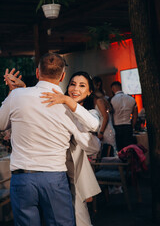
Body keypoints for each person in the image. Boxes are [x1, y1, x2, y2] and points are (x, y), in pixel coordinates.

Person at [1, 53, 101, 226]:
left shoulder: (18, 96)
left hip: (22, 177)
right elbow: (93, 127)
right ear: (63, 76)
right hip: (54, 178)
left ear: (37, 72)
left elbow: (2, 124)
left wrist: (14, 93)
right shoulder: (66, 105)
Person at [40, 71, 101, 226]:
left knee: (81, 220)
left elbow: (93, 146)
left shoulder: (91, 113)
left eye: (82, 86)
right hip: (52, 173)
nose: (76, 89)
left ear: (89, 92)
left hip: (74, 179)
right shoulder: (58, 109)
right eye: (73, 84)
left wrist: (68, 102)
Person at [92, 76, 117, 156]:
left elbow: (106, 117)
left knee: (110, 153)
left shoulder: (99, 100)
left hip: (106, 130)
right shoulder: (102, 99)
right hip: (105, 128)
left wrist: (101, 132)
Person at [110, 81, 138, 151]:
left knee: (120, 149)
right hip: (128, 126)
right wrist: (133, 126)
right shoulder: (131, 99)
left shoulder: (112, 100)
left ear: (113, 89)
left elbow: (110, 114)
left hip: (117, 127)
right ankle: (129, 161)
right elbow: (135, 115)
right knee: (129, 148)